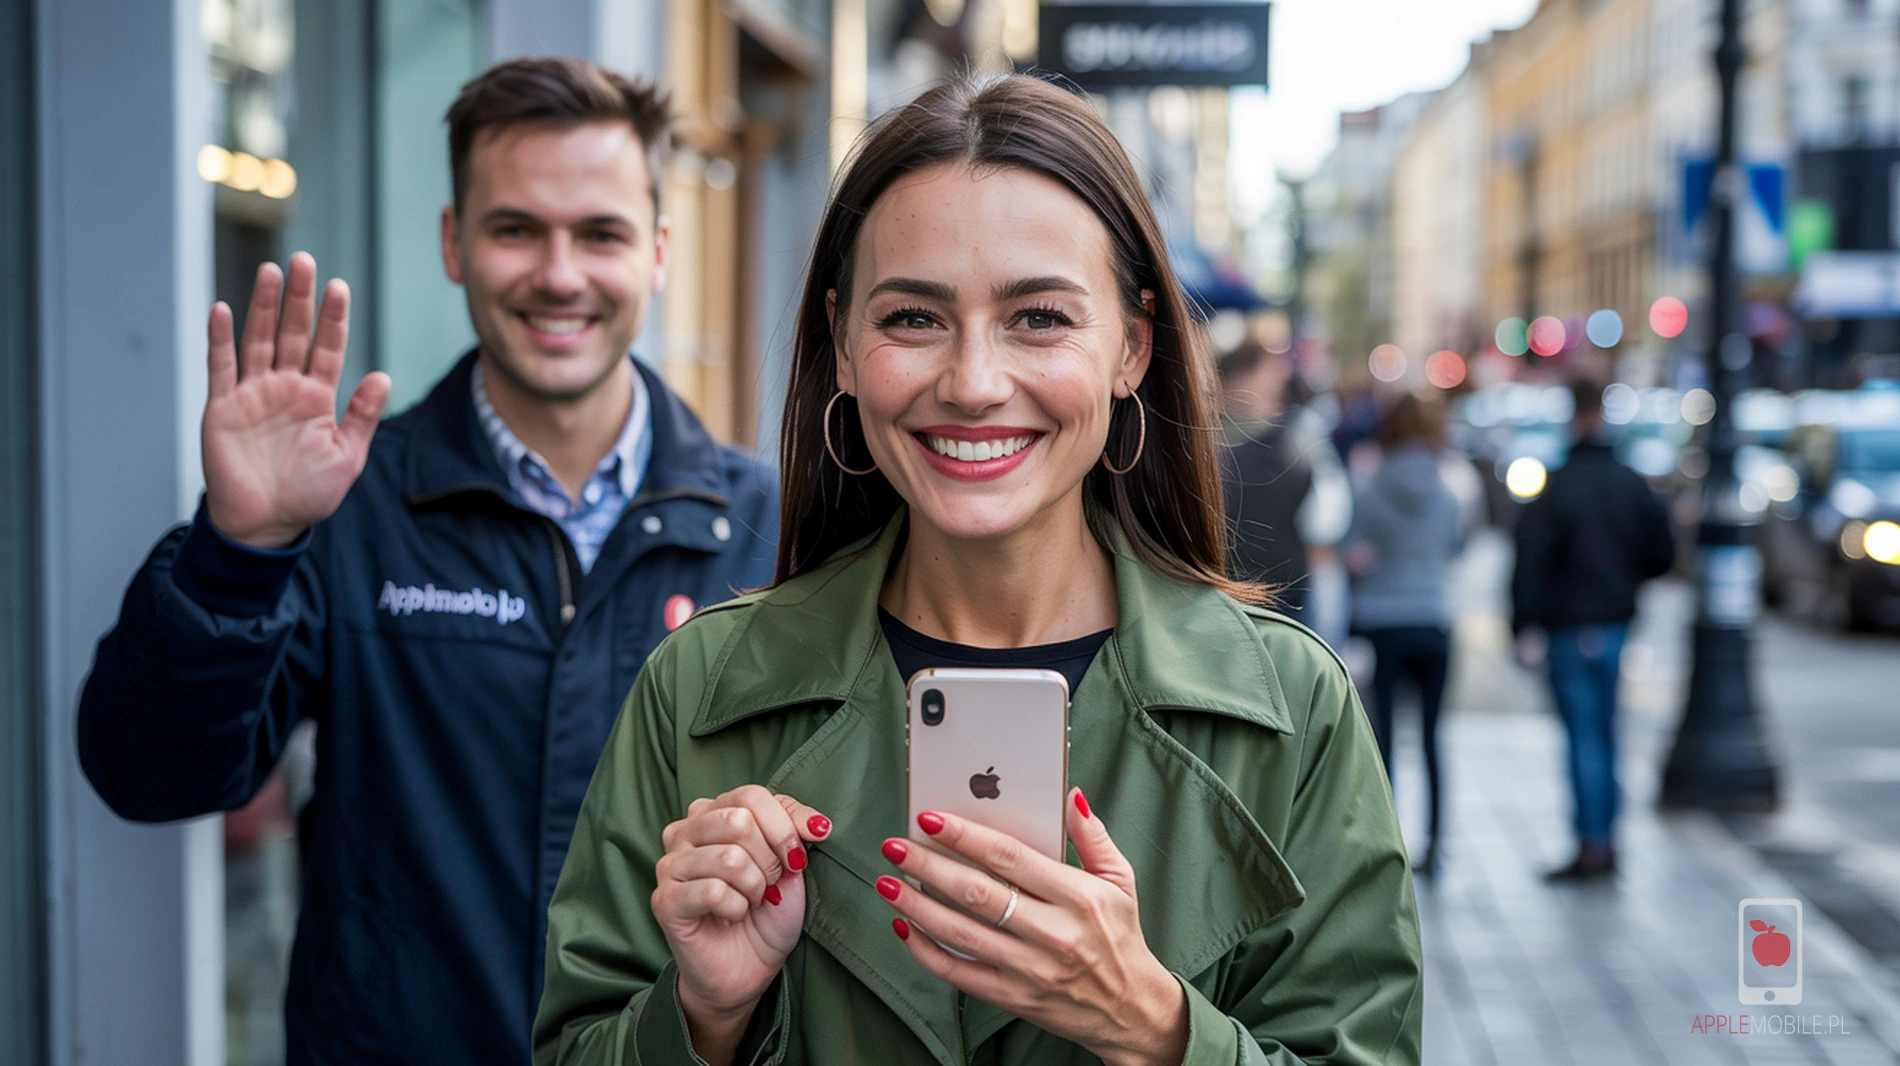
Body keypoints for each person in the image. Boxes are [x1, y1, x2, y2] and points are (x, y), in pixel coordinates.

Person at [535, 73, 1422, 1066]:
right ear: (840, 343)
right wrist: (701, 1015)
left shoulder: (1290, 710)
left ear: (1131, 345)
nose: (972, 382)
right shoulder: (698, 692)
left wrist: (1160, 1029)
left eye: (1038, 317)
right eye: (913, 319)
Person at [75, 56, 777, 1064]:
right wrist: (240, 549)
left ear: (658, 250)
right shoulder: (350, 504)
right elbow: (149, 772)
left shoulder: (763, 529)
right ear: (455, 243)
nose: (561, 273)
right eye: (515, 228)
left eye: (601, 233)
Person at [1511, 377, 1674, 881]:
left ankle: (1593, 843)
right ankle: (1606, 837)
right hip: (1613, 622)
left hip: (1570, 626)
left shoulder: (1558, 485)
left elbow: (1530, 560)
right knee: (1606, 730)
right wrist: (1625, 583)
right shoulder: (1630, 482)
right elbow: (1662, 554)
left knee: (1584, 735)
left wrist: (1523, 623)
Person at [1343, 392, 1464, 877]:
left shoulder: (1369, 489)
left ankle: (1386, 845)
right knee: (1434, 738)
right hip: (1434, 619)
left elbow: (1352, 553)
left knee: (1383, 740)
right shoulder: (1450, 491)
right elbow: (1457, 546)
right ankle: (1435, 843)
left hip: (1381, 621)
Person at [1218, 339, 1315, 611]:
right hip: (1273, 587)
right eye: (1272, 369)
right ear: (1242, 376)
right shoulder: (1289, 441)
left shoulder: (1291, 437)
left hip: (1267, 587)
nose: (1282, 378)